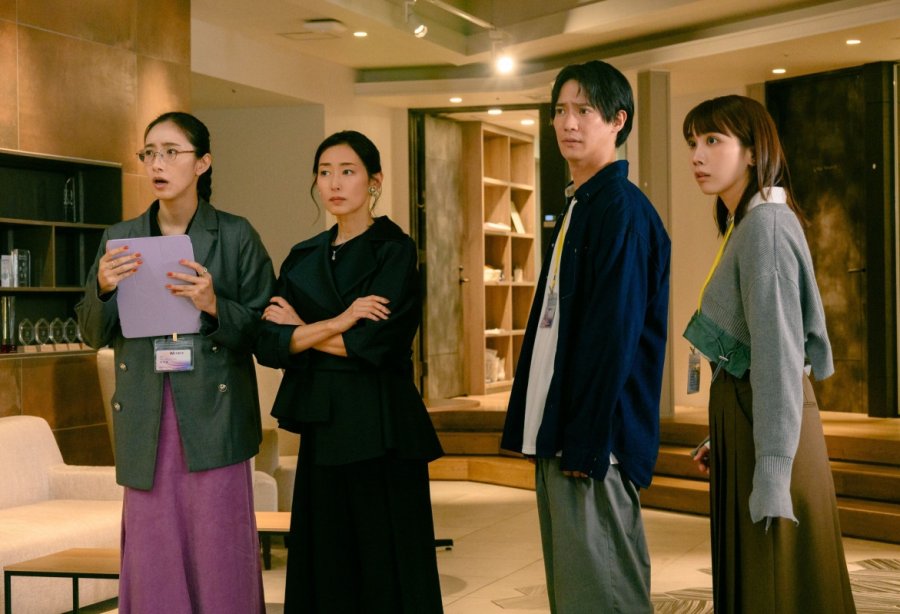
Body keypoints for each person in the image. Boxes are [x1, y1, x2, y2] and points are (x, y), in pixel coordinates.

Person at [76, 112, 275, 613]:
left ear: (202, 163)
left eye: (170, 152)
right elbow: (90, 332)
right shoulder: (121, 236)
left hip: (215, 414)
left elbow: (265, 334)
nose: (157, 164)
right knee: (153, 548)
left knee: (219, 544)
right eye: (149, 153)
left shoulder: (235, 235)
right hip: (145, 413)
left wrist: (214, 305)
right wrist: (103, 288)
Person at [501, 60, 671, 613]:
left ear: (618, 121)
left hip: (596, 442)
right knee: (577, 593)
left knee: (604, 592)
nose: (568, 123)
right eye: (560, 111)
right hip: (567, 433)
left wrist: (587, 438)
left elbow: (613, 336)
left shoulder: (620, 211)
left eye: (584, 111)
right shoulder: (581, 203)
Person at [255, 130, 444, 614]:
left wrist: (303, 331)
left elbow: (378, 345)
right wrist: (338, 324)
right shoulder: (303, 255)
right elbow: (270, 342)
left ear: (373, 181)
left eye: (347, 171)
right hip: (323, 424)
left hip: (381, 425)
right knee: (326, 561)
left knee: (386, 561)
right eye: (324, 173)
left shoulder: (393, 249)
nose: (334, 183)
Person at [682, 95, 856, 613]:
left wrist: (774, 468)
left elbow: (778, 354)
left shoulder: (765, 227)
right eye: (693, 142)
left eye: (713, 140)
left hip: (769, 426)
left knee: (777, 585)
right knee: (768, 581)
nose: (697, 155)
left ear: (754, 151)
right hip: (750, 420)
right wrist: (722, 435)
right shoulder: (747, 224)